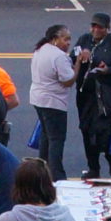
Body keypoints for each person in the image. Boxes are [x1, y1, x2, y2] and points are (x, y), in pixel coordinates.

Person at [78, 14, 111, 179]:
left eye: (100, 27)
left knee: (106, 129)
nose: (96, 30)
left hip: (107, 94)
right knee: (87, 130)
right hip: (86, 95)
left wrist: (108, 70)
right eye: (93, 26)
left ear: (107, 29)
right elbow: (73, 56)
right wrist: (81, 55)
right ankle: (93, 167)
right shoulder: (84, 40)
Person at [29, 25, 78, 180]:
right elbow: (68, 80)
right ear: (55, 39)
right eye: (65, 39)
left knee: (46, 135)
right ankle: (56, 175)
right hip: (53, 102)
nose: (68, 43)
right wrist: (78, 64)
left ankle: (42, 170)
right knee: (56, 139)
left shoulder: (40, 50)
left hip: (38, 99)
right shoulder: (59, 56)